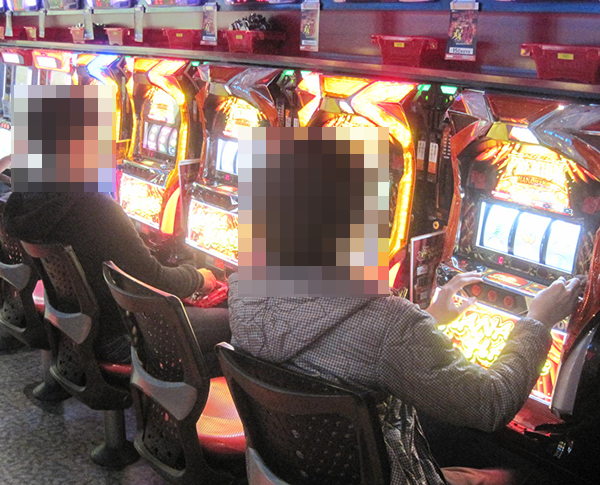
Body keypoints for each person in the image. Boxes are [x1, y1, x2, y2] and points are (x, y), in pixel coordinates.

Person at [228, 269, 581, 485]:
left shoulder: (245, 289)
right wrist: (538, 320)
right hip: (385, 475)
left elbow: (343, 343)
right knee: (527, 474)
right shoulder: (388, 322)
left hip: (294, 468)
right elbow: (491, 404)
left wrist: (427, 319)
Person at [3, 191, 230, 374]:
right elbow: (154, 280)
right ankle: (180, 403)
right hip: (120, 336)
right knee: (235, 323)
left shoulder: (29, 197)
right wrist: (199, 278)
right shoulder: (95, 204)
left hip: (75, 331)